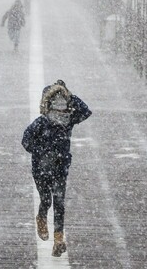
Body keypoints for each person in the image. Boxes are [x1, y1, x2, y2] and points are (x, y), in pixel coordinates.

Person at [21, 80, 92, 257]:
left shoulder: (68, 121)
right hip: (41, 169)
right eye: (56, 103)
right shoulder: (41, 123)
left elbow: (85, 111)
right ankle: (41, 218)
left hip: (60, 168)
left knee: (59, 204)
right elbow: (26, 141)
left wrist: (68, 93)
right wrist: (41, 152)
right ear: (48, 105)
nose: (60, 109)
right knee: (46, 200)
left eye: (63, 103)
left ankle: (58, 240)